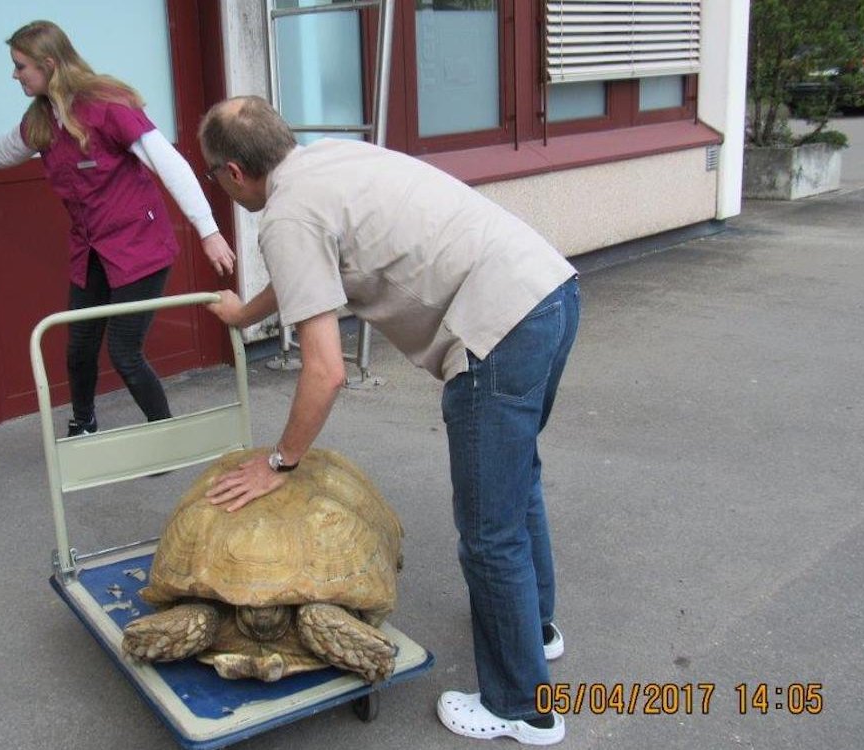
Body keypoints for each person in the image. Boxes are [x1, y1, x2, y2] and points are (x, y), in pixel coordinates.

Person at [197, 96, 579, 746]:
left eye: (215, 177)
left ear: (233, 173)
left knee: (489, 533)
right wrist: (248, 314)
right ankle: (536, 630)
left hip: (495, 330)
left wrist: (278, 463)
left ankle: (521, 707)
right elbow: (308, 272)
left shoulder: (286, 215)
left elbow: (325, 371)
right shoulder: (326, 161)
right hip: (550, 291)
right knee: (519, 484)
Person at [0, 20, 235, 437]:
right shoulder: (43, 118)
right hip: (91, 249)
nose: (14, 75)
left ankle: (166, 434)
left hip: (139, 248)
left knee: (124, 351)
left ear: (48, 63)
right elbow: (9, 146)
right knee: (79, 346)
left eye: (20, 66)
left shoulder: (108, 107)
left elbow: (169, 162)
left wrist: (209, 230)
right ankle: (84, 423)